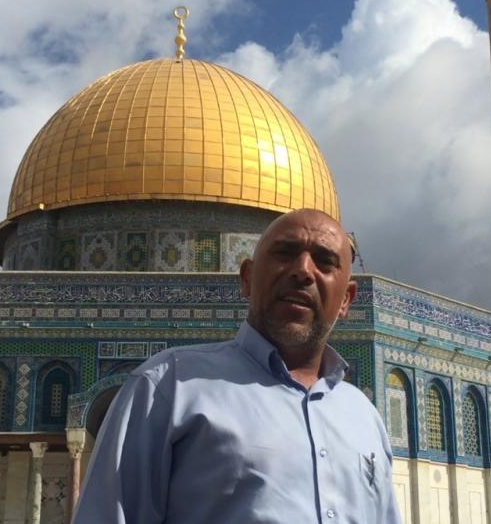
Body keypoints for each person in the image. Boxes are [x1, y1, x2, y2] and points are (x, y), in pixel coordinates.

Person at [73, 209, 401, 523]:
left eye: (324, 261)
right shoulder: (170, 388)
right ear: (246, 279)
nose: (303, 270)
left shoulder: (364, 417)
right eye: (284, 253)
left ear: (346, 300)